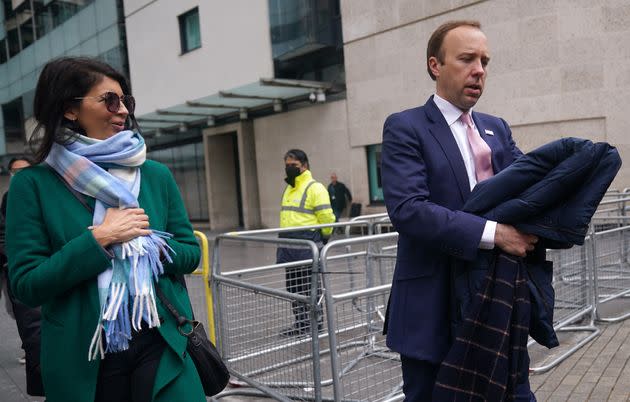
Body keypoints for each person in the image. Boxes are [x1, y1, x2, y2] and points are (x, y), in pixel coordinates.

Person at [6, 57, 204, 402]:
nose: (123, 111)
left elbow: (190, 253)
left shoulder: (155, 175)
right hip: (83, 356)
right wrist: (99, 240)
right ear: (70, 109)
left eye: (126, 101)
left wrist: (149, 245)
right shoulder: (32, 184)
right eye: (110, 100)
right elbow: (26, 285)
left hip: (162, 341)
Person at [381, 20, 538, 401]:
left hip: (494, 301)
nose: (479, 70)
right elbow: (408, 210)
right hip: (430, 308)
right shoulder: (406, 127)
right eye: (467, 59)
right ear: (436, 65)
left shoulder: (496, 129)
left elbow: (531, 188)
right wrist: (495, 234)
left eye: (484, 61)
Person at [277, 149, 335, 336]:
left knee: (310, 290)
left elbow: (327, 218)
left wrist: (324, 238)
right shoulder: (289, 188)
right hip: (289, 248)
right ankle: (301, 325)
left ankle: (314, 326)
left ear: (305, 165)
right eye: (287, 165)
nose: (289, 168)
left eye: (293, 165)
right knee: (293, 289)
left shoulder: (315, 188)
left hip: (307, 247)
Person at [0, 156, 46, 397]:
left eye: (24, 170)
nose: (20, 175)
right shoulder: (10, 198)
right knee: (33, 330)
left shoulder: (47, 191)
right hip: (25, 272)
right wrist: (10, 256)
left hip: (51, 270)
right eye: (15, 171)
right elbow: (4, 232)